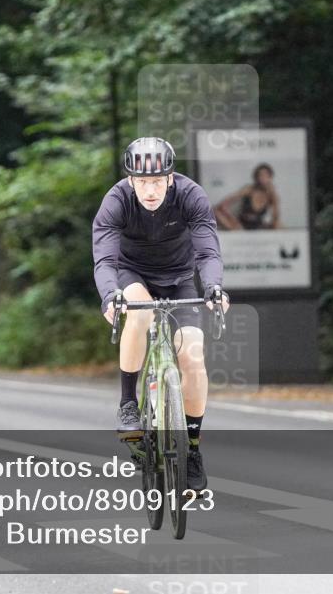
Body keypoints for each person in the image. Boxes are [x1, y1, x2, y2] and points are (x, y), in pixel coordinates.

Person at [92, 137, 228, 492]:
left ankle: (193, 448)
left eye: (157, 181)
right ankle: (127, 404)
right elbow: (105, 259)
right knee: (140, 314)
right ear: (131, 180)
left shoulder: (190, 195)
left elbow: (208, 253)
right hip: (132, 275)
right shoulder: (116, 201)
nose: (150, 190)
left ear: (170, 178)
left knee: (193, 357)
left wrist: (213, 287)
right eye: (142, 182)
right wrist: (111, 296)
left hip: (181, 279)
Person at [214, 163, 281, 230]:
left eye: (266, 175)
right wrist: (233, 219)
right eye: (260, 175)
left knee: (279, 226)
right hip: (241, 225)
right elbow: (223, 204)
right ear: (256, 177)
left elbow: (276, 218)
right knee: (215, 211)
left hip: (258, 226)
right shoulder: (249, 189)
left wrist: (274, 196)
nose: (263, 178)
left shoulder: (272, 194)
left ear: (270, 177)